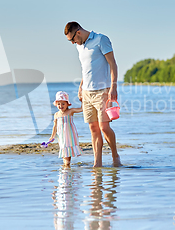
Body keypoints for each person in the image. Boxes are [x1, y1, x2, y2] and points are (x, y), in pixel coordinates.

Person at [64, 21, 122, 167]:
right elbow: (87, 69)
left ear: (78, 32)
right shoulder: (79, 47)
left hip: (103, 91)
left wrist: (113, 87)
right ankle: (98, 164)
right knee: (93, 128)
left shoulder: (101, 39)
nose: (72, 43)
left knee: (104, 127)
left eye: (72, 39)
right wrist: (80, 87)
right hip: (86, 93)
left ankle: (115, 156)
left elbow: (113, 64)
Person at [47, 91, 83, 166]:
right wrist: (52, 136)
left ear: (67, 104)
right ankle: (66, 164)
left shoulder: (70, 111)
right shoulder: (56, 114)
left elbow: (81, 109)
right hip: (61, 135)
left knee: (67, 148)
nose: (61, 105)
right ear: (56, 104)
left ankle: (67, 164)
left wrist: (82, 101)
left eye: (63, 104)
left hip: (69, 134)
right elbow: (55, 126)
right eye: (59, 104)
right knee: (63, 148)